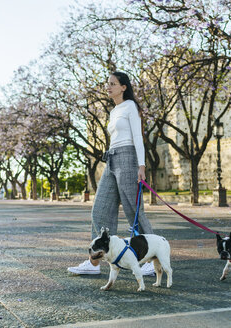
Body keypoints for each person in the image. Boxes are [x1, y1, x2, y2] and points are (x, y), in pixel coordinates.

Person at [67, 71, 155, 276]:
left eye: (113, 84)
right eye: (108, 84)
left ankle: (152, 259)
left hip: (128, 158)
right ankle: (95, 262)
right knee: (100, 210)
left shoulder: (130, 107)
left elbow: (138, 138)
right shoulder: (114, 111)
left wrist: (141, 166)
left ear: (123, 87)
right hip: (112, 159)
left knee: (134, 211)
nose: (108, 87)